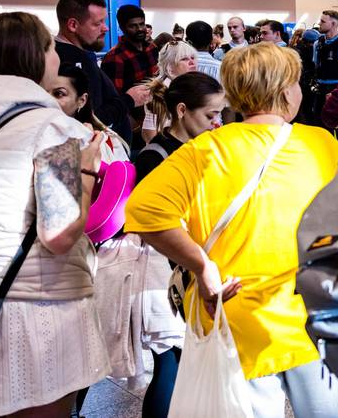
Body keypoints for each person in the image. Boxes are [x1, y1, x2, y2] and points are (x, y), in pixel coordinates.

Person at [126, 43, 338, 417]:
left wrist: (202, 265)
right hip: (311, 312)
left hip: (232, 312)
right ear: (284, 89)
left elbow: (144, 211)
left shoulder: (205, 149)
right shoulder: (320, 144)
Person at [0, 11, 108, 417]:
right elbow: (58, 235)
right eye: (51, 48)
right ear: (36, 57)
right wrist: (87, 171)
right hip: (29, 307)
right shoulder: (55, 128)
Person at [128, 71, 225, 417]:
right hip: (165, 268)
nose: (218, 123)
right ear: (182, 110)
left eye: (221, 115)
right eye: (210, 115)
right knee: (170, 359)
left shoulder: (207, 149)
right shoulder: (155, 156)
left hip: (194, 266)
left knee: (186, 362)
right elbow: (145, 221)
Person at [55, 0, 149, 143]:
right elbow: (89, 119)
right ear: (73, 25)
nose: (106, 28)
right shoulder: (70, 61)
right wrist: (129, 99)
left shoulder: (82, 55)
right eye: (97, 23)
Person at [141, 41, 199, 143]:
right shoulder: (159, 91)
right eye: (184, 59)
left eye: (193, 57)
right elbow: (149, 133)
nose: (191, 62)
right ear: (170, 68)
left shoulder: (191, 85)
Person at [101, 4, 159, 95]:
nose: (139, 29)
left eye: (141, 24)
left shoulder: (152, 48)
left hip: (154, 104)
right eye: (133, 26)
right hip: (131, 107)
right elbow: (114, 97)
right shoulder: (115, 57)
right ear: (122, 28)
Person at [310, 10, 338, 125]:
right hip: (319, 90)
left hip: (337, 91)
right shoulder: (317, 44)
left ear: (333, 24)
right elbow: (316, 64)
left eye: (323, 21)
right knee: (318, 127)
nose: (319, 23)